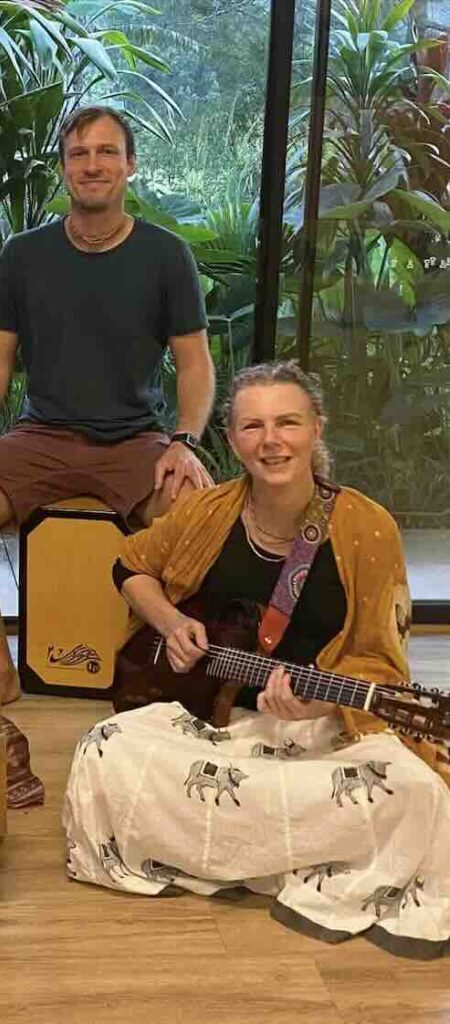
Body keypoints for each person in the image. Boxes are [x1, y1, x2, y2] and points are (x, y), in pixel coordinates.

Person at [63, 361, 450, 959]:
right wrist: (171, 623)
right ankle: (289, 843)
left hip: (320, 731)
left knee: (417, 791)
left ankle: (224, 843)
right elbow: (131, 565)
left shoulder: (368, 529)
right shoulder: (207, 512)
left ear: (317, 428)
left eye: (287, 423)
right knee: (102, 749)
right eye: (253, 426)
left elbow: (382, 662)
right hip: (214, 727)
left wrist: (318, 702)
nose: (272, 441)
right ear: (233, 439)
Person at [0, 105, 216, 704]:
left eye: (107, 152)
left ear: (130, 165)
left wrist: (185, 442)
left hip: (135, 442)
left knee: (198, 515)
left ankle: (169, 671)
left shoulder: (166, 255)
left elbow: (194, 363)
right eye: (79, 154)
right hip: (43, 438)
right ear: (63, 169)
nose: (93, 165)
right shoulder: (24, 254)